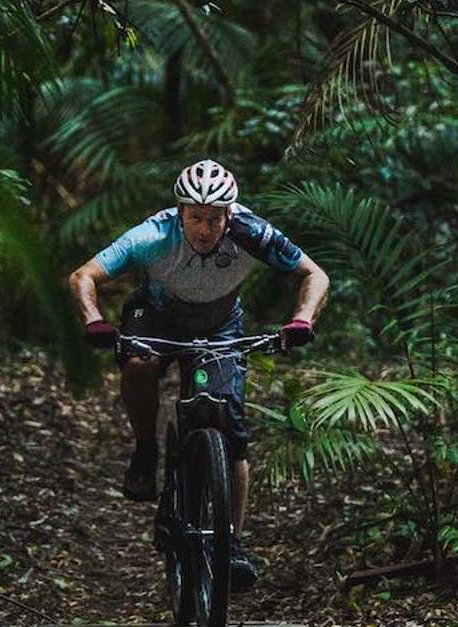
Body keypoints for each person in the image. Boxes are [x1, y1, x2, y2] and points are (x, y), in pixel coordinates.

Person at [67, 159, 329, 589]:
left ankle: (232, 542)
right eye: (195, 218)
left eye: (214, 219)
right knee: (138, 363)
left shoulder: (252, 233)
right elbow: (83, 277)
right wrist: (94, 320)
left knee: (231, 428)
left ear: (230, 214)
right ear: (180, 211)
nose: (204, 229)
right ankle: (147, 448)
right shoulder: (154, 233)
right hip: (154, 314)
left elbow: (314, 275)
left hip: (219, 323)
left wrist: (302, 320)